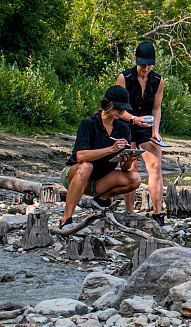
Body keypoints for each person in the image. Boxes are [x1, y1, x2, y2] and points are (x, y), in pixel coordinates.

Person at [59, 85, 142, 229]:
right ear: (107, 105)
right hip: (75, 175)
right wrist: (112, 149)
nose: (122, 112)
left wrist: (128, 161)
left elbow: (124, 167)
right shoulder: (89, 124)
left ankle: (101, 199)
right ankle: (66, 219)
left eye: (124, 109)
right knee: (86, 166)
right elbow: (80, 156)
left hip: (101, 180)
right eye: (118, 108)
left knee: (134, 178)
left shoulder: (123, 129)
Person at [117, 40, 166, 225]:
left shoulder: (158, 80)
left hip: (147, 127)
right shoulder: (124, 77)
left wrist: (155, 131)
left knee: (155, 167)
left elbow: (156, 108)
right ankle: (129, 212)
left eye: (149, 64)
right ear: (136, 59)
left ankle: (157, 214)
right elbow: (118, 109)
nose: (146, 68)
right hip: (126, 125)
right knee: (131, 169)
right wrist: (133, 119)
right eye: (142, 64)